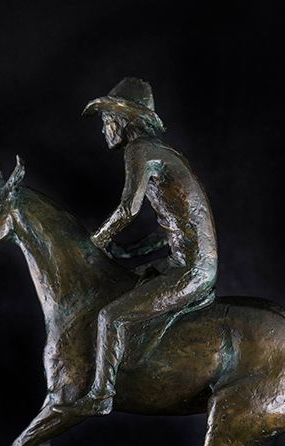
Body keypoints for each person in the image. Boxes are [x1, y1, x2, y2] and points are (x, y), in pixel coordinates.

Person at [56, 78, 219, 417]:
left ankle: (100, 395)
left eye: (106, 121)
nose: (104, 129)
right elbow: (171, 230)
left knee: (111, 316)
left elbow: (129, 208)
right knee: (128, 281)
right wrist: (128, 252)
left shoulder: (140, 150)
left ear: (124, 120)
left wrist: (96, 240)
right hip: (186, 263)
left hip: (191, 271)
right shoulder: (165, 153)